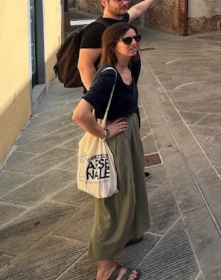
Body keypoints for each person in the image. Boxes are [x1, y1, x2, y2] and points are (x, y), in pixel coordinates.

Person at [72, 22, 149, 280]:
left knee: (130, 191)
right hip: (115, 143)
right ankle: (105, 268)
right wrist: (104, 133)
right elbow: (80, 115)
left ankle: (125, 234)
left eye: (135, 38)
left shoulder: (129, 67)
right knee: (113, 201)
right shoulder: (108, 75)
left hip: (128, 138)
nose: (134, 43)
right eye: (126, 41)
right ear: (111, 45)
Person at [78, 0, 163, 92]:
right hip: (109, 94)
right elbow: (84, 66)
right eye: (119, 0)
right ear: (104, 2)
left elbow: (137, 9)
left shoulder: (122, 20)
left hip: (126, 90)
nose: (125, 3)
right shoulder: (96, 29)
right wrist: (95, 98)